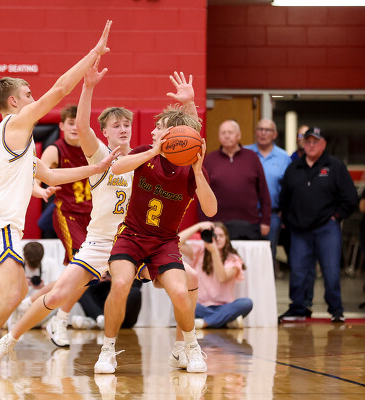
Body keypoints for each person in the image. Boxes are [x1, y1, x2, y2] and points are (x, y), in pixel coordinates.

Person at [0, 20, 116, 378]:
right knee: (9, 294)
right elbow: (61, 88)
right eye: (29, 93)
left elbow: (51, 177)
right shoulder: (15, 124)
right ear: (14, 101)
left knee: (16, 290)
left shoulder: (15, 139)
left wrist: (97, 168)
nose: (35, 98)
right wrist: (93, 54)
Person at [0, 55, 136, 369]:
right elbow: (56, 162)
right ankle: (13, 338)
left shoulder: (142, 157)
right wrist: (88, 86)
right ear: (104, 133)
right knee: (60, 291)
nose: (122, 129)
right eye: (115, 125)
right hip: (89, 230)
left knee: (172, 280)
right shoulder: (97, 152)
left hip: (130, 240)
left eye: (126, 125)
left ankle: (179, 345)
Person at [95, 72, 217, 374]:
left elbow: (211, 210)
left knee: (181, 290)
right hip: (132, 237)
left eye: (159, 128)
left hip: (164, 243)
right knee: (120, 284)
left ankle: (190, 347)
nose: (153, 131)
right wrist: (153, 150)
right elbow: (116, 169)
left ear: (174, 136)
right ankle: (107, 350)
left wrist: (198, 171)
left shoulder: (190, 170)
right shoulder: (143, 155)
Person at [278, 127, 358, 323]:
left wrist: (337, 216)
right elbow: (284, 198)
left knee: (330, 270)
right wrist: (288, 220)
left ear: (323, 144)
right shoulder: (294, 167)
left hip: (326, 228)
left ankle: (336, 310)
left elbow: (350, 198)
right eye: (308, 141)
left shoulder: (335, 166)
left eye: (315, 141)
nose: (311, 145)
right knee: (298, 271)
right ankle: (298, 308)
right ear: (303, 144)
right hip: (299, 230)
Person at [36, 105, 93, 265]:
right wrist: (41, 191)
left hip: (93, 213)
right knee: (80, 261)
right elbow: (35, 180)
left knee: (95, 264)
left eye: (78, 123)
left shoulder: (93, 146)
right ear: (62, 126)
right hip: (68, 213)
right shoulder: (54, 150)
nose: (75, 128)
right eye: (70, 123)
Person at [201, 120, 271, 240]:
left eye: (230, 132)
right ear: (218, 136)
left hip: (250, 224)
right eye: (223, 133)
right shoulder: (210, 159)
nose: (227, 136)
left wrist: (266, 221)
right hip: (218, 225)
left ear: (239, 135)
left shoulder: (252, 157)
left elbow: (263, 192)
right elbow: (202, 194)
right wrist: (204, 222)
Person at [179, 222, 253, 329]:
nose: (217, 239)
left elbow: (222, 277)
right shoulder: (199, 251)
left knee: (246, 303)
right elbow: (176, 242)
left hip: (225, 307)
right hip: (201, 306)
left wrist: (214, 252)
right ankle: (225, 321)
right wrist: (198, 226)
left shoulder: (233, 259)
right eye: (214, 235)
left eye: (221, 236)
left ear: (226, 238)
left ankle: (205, 322)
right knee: (183, 300)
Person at [245, 119, 292, 276]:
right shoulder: (245, 154)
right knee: (245, 258)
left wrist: (284, 213)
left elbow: (289, 188)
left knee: (268, 258)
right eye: (260, 129)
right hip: (246, 215)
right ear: (255, 132)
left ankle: (266, 291)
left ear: (275, 134)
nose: (263, 133)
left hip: (273, 216)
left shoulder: (284, 157)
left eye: (268, 130)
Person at [7, 241, 62, 330]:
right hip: (20, 309)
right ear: (24, 256)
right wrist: (20, 282)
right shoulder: (16, 265)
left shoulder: (50, 263)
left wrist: (44, 287)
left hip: (42, 307)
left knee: (61, 288)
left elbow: (59, 285)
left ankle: (30, 307)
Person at [73, 271, 142, 330]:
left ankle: (95, 323)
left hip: (121, 310)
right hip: (100, 306)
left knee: (135, 292)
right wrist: (96, 280)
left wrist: (116, 280)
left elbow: (137, 284)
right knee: (81, 289)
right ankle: (100, 320)